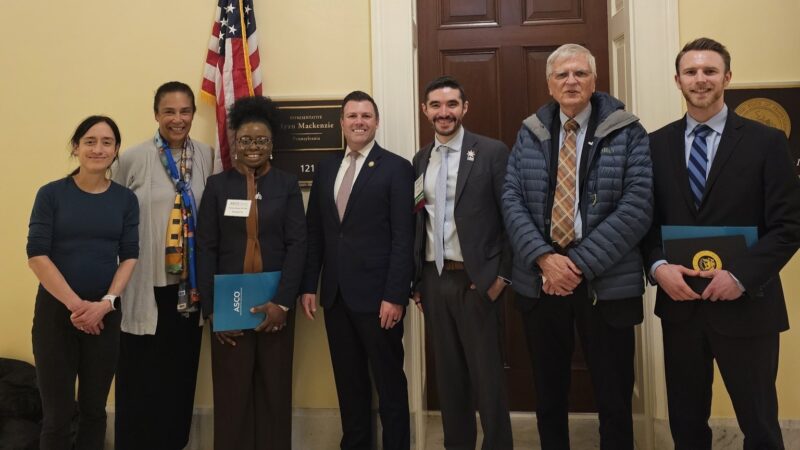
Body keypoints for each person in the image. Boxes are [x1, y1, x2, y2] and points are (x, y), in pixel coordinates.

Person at [642, 37, 800, 450]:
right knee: (687, 425)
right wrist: (658, 268)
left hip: (748, 306)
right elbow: (644, 224)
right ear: (677, 80)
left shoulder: (768, 143)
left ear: (727, 77)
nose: (701, 79)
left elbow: (789, 226)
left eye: (710, 71)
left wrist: (740, 276)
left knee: (761, 426)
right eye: (691, 72)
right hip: (681, 308)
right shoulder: (653, 145)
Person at [502, 43, 653, 449]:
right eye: (562, 75)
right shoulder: (529, 130)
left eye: (580, 74)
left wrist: (577, 265)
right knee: (549, 391)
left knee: (614, 393)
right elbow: (511, 198)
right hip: (541, 280)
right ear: (549, 84)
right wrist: (545, 258)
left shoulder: (628, 130)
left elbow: (638, 207)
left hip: (607, 281)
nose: (571, 81)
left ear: (594, 81)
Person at [300, 91, 414, 450]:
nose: (359, 121)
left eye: (366, 115)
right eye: (352, 116)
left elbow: (403, 238)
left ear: (376, 122)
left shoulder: (397, 168)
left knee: (389, 383)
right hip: (335, 297)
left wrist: (395, 295)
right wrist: (308, 286)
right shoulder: (326, 168)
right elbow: (315, 232)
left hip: (380, 299)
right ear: (342, 123)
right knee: (349, 386)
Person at [112, 81, 219, 450]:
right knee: (138, 378)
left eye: (185, 111)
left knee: (179, 378)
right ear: (156, 114)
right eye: (169, 111)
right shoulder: (131, 158)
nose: (178, 119)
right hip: (142, 286)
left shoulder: (207, 155)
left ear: (192, 113)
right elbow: (115, 218)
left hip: (187, 290)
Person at [196, 95, 306, 450]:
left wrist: (283, 303)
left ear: (272, 145)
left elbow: (297, 246)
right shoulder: (217, 186)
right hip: (229, 310)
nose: (253, 147)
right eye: (245, 140)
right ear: (235, 144)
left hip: (277, 306)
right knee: (232, 395)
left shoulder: (286, 186)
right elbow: (206, 248)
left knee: (275, 391)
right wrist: (214, 311)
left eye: (261, 140)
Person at [411, 76, 513, 450]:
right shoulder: (421, 159)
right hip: (435, 282)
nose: (444, 112)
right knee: (449, 379)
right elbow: (419, 221)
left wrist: (501, 276)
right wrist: (417, 283)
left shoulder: (491, 152)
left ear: (464, 108)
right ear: (425, 111)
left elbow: (511, 219)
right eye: (436, 105)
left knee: (487, 380)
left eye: (451, 104)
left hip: (477, 282)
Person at [27, 116, 139, 450]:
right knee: (57, 414)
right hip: (57, 314)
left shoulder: (125, 200)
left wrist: (104, 304)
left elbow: (130, 255)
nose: (98, 148)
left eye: (107, 142)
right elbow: (37, 255)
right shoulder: (50, 195)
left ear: (116, 150)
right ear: (76, 147)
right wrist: (78, 308)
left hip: (104, 314)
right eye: (90, 141)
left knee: (94, 410)